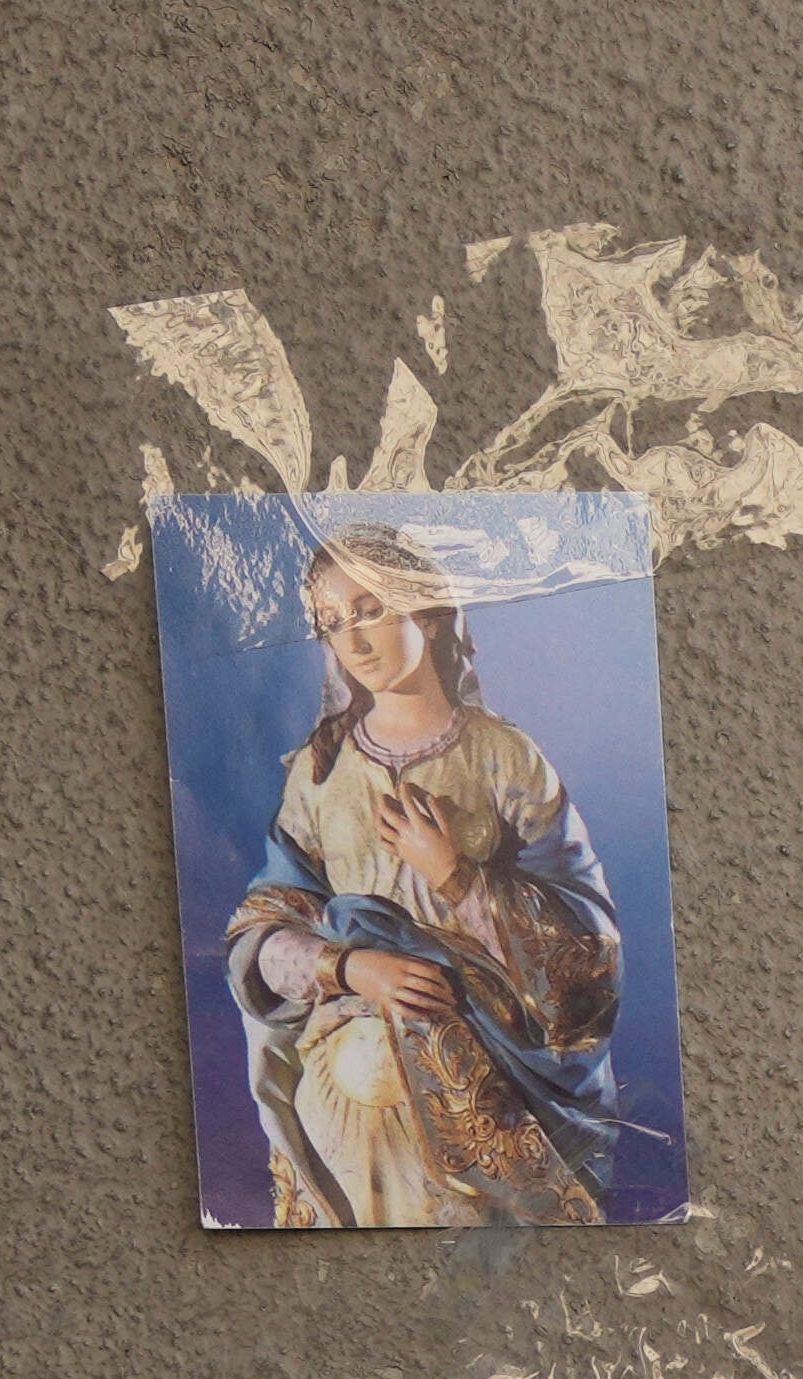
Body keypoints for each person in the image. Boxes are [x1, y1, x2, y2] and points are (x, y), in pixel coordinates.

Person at [221, 521, 640, 1226]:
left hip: (491, 1077)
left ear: (427, 606)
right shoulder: (320, 775)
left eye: (371, 610)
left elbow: (586, 957)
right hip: (346, 1088)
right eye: (331, 623)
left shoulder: (505, 757)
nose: (353, 641)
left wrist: (456, 877)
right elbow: (263, 925)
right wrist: (350, 968)